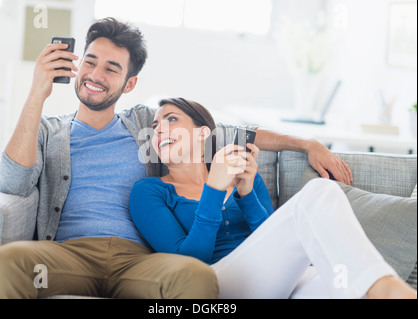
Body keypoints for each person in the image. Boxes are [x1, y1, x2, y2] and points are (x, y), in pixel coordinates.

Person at [0, 17, 352, 299]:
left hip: (141, 259)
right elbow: (13, 182)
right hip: (69, 254)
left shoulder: (149, 128)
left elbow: (232, 132)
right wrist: (37, 93)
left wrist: (306, 143)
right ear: (78, 66)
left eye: (111, 68)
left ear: (129, 84)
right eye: (91, 62)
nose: (96, 75)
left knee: (196, 276)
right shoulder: (50, 132)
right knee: (6, 261)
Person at [129, 97, 417, 299]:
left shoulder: (241, 173)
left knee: (348, 287)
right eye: (154, 127)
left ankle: (383, 287)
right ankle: (387, 286)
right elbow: (190, 263)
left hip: (279, 281)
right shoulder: (149, 191)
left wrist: (246, 191)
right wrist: (214, 190)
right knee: (320, 191)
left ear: (203, 132)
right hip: (219, 282)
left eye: (170, 119)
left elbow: (275, 236)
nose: (159, 130)